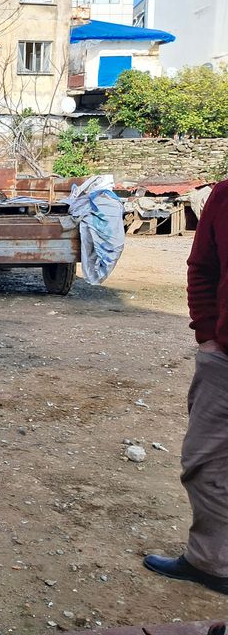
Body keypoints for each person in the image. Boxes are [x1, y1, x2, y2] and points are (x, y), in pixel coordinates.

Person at [143, 180, 228, 595]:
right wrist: (208, 335)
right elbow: (203, 267)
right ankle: (210, 561)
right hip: (224, 359)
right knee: (204, 461)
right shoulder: (225, 195)